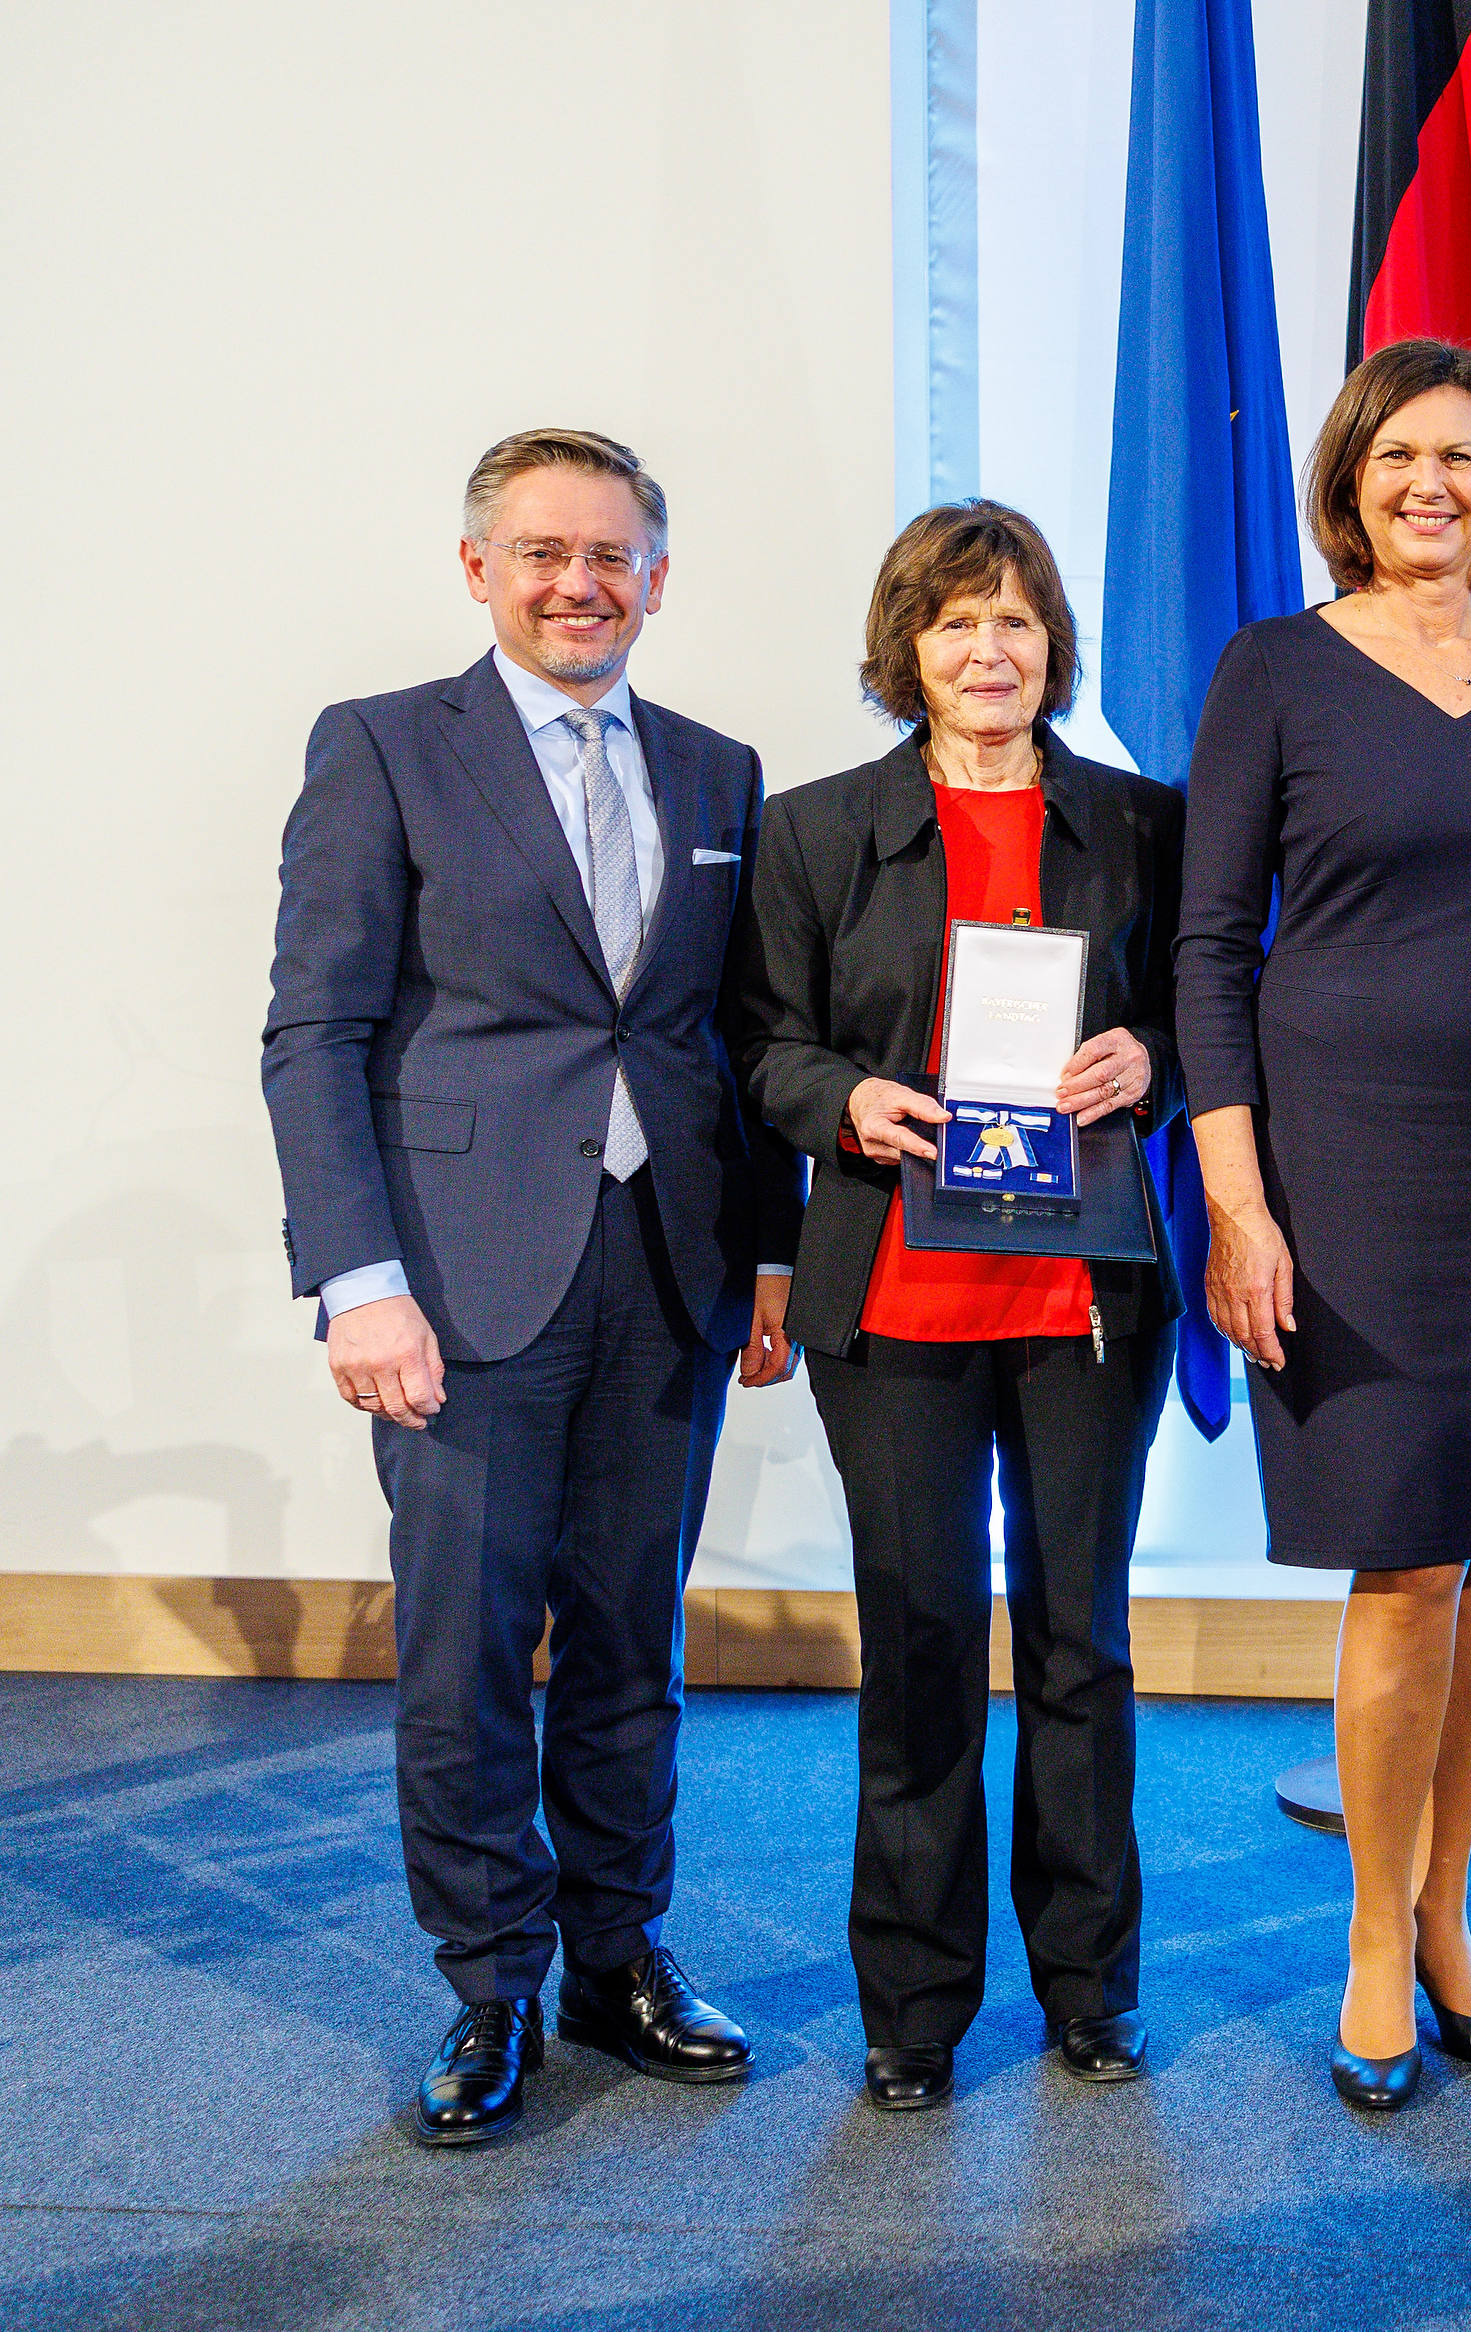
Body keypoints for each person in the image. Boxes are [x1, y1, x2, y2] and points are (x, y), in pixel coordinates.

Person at [262, 427, 802, 2147]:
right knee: (470, 1651)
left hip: (670, 1270)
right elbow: (315, 1033)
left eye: (611, 555)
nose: (580, 584)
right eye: (545, 553)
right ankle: (490, 1983)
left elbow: (736, 1036)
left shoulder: (719, 773)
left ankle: (616, 1958)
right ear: (478, 568)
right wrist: (358, 1281)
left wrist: (772, 1247)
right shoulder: (381, 748)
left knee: (635, 1640)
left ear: (658, 576)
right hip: (456, 1277)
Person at [1178, 339, 1471, 2113]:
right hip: (1346, 1167)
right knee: (1405, 1557)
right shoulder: (1275, 669)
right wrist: (1238, 1202)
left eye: (1459, 455)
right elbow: (1208, 950)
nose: (1428, 485)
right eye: (1396, 458)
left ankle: (1454, 1921)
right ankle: (1376, 1938)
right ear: (1350, 485)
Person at [728, 501, 1183, 2114]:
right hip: (896, 1302)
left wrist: (1152, 1058)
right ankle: (914, 2007)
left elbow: (1211, 1004)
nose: (989, 652)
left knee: (1080, 1646)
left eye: (1016, 621)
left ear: (1053, 646)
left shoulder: (1141, 823)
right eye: (955, 622)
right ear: (905, 649)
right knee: (919, 1651)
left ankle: (1089, 1989)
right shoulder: (813, 832)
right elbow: (758, 1044)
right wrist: (845, 1101)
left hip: (1082, 1299)